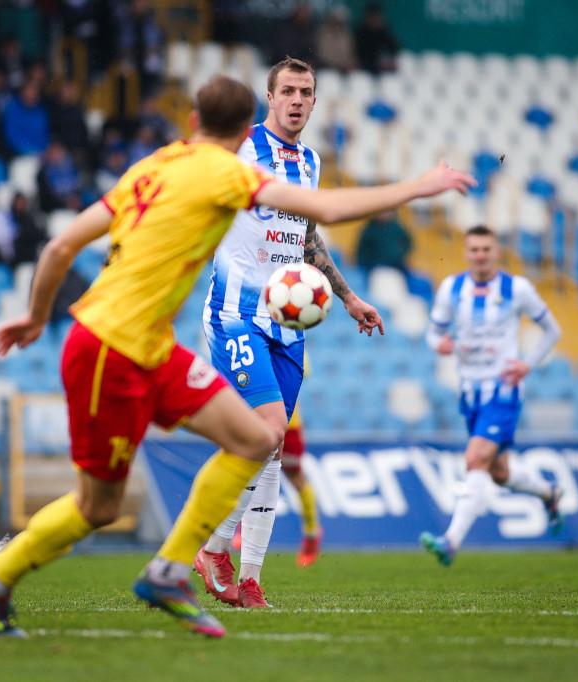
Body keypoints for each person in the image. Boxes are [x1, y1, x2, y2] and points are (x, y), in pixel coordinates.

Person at [0, 74, 475, 638]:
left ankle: (171, 569)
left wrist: (36, 317)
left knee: (258, 438)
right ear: (247, 125)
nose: (296, 104)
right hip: (111, 345)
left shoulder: (153, 165)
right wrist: (419, 186)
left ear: (192, 122)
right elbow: (329, 206)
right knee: (98, 506)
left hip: (152, 345)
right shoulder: (228, 171)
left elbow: (60, 245)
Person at [195, 58, 381, 609]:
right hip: (234, 315)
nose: (297, 100)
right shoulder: (241, 147)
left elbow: (306, 238)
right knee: (270, 428)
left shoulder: (311, 161)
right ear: (269, 97)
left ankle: (248, 576)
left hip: (288, 324)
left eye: (306, 92)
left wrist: (348, 297)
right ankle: (211, 548)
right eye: (288, 91)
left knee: (271, 451)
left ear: (315, 102)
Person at [420, 225, 564, 567]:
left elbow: (552, 330)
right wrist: (439, 343)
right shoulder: (451, 289)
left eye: (486, 249)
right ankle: (549, 493)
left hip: (503, 391)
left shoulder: (517, 289)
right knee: (498, 472)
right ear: (466, 253)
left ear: (496, 252)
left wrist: (527, 364)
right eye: (474, 249)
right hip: (469, 393)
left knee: (474, 459)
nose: (480, 255)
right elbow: (433, 332)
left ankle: (450, 541)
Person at [282, 353, 322, 568]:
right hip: (254, 419)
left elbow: (303, 369)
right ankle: (240, 530)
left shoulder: (289, 329)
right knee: (248, 475)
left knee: (296, 479)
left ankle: (311, 534)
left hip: (289, 424)